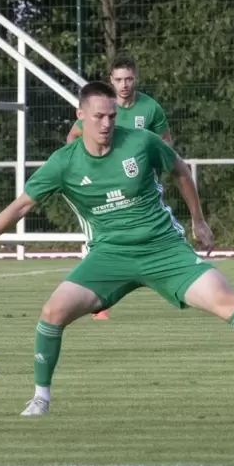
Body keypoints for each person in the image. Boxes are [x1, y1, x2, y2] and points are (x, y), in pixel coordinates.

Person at [0, 81, 234, 417]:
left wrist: (198, 220)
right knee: (52, 311)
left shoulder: (140, 141)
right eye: (99, 116)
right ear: (80, 116)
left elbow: (181, 171)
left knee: (226, 300)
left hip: (163, 249)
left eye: (111, 115)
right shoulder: (63, 163)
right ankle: (40, 398)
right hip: (109, 257)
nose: (107, 123)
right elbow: (20, 206)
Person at [67, 55, 172, 320]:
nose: (124, 84)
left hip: (139, 189)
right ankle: (99, 303)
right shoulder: (102, 107)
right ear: (111, 80)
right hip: (102, 187)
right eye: (118, 79)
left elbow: (166, 145)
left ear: (136, 78)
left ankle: (178, 281)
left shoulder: (151, 109)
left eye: (128, 79)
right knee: (102, 239)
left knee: (146, 236)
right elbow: (74, 136)